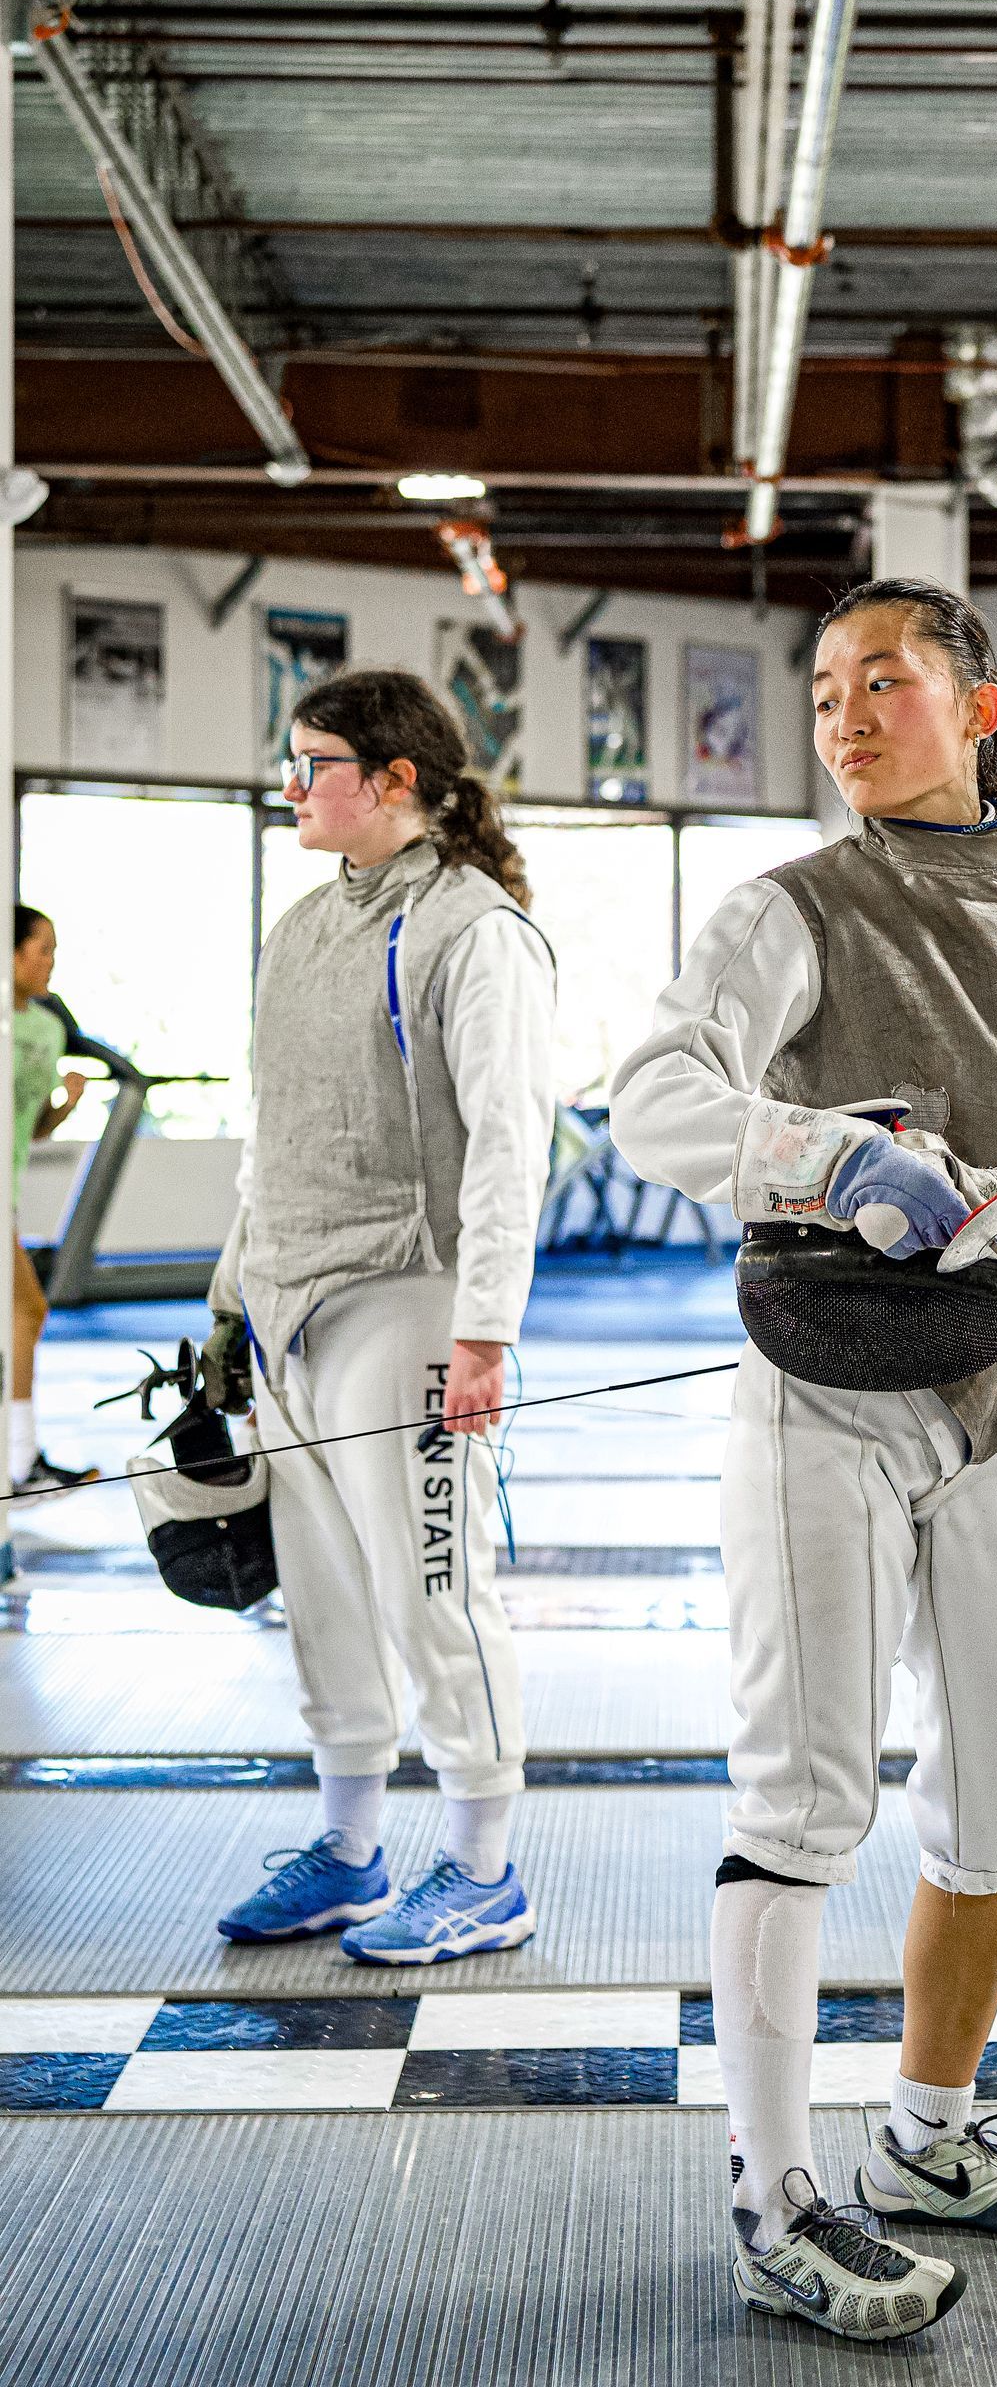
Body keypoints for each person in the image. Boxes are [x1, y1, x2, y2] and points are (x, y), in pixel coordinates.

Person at [611, 577, 997, 2345]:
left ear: (985, 707)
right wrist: (816, 1157)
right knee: (803, 1790)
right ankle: (775, 2192)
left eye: (885, 681)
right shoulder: (786, 910)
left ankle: (929, 2139)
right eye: (823, 689)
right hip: (823, 1391)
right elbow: (656, 1092)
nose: (846, 713)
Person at [211, 669, 556, 1966]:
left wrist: (482, 1333)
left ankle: (482, 1870)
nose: (291, 786)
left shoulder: (477, 931)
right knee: (324, 1595)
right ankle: (351, 1852)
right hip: (288, 1311)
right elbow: (275, 1132)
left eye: (313, 763)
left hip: (408, 1302)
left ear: (395, 782)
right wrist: (231, 1294)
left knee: (433, 1589)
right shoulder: (304, 928)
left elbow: (512, 1145)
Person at [10, 905, 95, 1495]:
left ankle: (19, 1460)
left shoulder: (44, 1029)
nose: (50, 964)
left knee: (24, 1312)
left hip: (6, 1193)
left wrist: (67, 1103)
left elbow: (34, 1127)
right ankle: (20, 1462)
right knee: (26, 1310)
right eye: (43, 950)